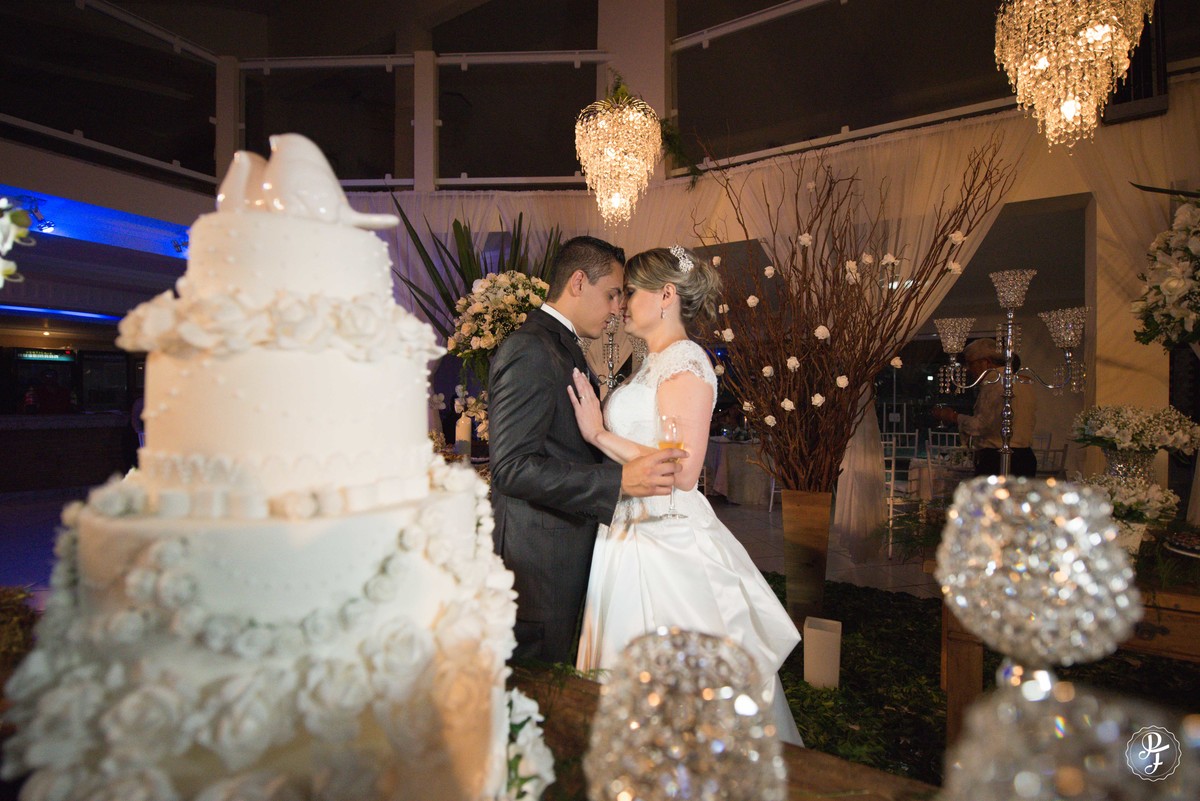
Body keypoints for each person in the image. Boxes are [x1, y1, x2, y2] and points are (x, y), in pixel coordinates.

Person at [566, 245, 804, 746]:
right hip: (630, 529)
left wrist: (598, 435)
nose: (622, 304)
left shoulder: (686, 362)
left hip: (666, 538)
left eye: (630, 292)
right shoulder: (651, 363)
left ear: (666, 295)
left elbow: (683, 470)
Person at [488, 236, 684, 665]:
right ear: (578, 282)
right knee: (529, 693)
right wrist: (616, 480)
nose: (618, 307)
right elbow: (511, 467)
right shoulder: (531, 349)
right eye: (612, 293)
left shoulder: (560, 344)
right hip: (537, 563)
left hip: (564, 548)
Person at [931, 337, 1037, 477]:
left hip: (998, 459)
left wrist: (952, 416)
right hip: (1024, 457)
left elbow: (980, 426)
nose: (968, 369)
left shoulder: (994, 384)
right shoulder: (1023, 382)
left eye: (971, 363)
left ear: (986, 362)